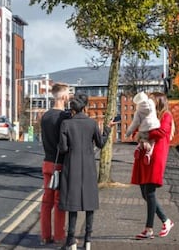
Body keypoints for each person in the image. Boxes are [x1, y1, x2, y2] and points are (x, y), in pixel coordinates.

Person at [58, 93, 114, 250]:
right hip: (89, 166)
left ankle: (72, 240)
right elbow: (101, 144)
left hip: (72, 165)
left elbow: (62, 149)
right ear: (85, 107)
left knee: (73, 204)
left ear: (73, 109)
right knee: (89, 204)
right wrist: (107, 129)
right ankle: (88, 240)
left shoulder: (66, 124)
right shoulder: (92, 123)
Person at [131, 91, 175, 240]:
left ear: (158, 101)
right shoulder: (147, 114)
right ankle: (166, 221)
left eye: (151, 100)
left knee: (149, 192)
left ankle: (149, 229)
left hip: (156, 156)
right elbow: (136, 130)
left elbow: (161, 132)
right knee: (145, 192)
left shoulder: (166, 115)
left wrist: (143, 135)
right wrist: (141, 138)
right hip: (145, 155)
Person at [39, 83, 72, 245]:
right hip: (60, 165)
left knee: (46, 202)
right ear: (64, 97)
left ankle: (45, 236)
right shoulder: (65, 117)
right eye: (69, 94)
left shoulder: (45, 116)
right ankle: (59, 236)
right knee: (59, 203)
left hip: (47, 162)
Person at [126, 91, 161, 165]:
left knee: (141, 137)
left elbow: (135, 123)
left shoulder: (138, 111)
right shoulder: (152, 104)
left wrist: (128, 132)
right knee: (152, 142)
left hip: (143, 128)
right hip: (154, 126)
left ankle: (139, 147)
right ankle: (149, 153)